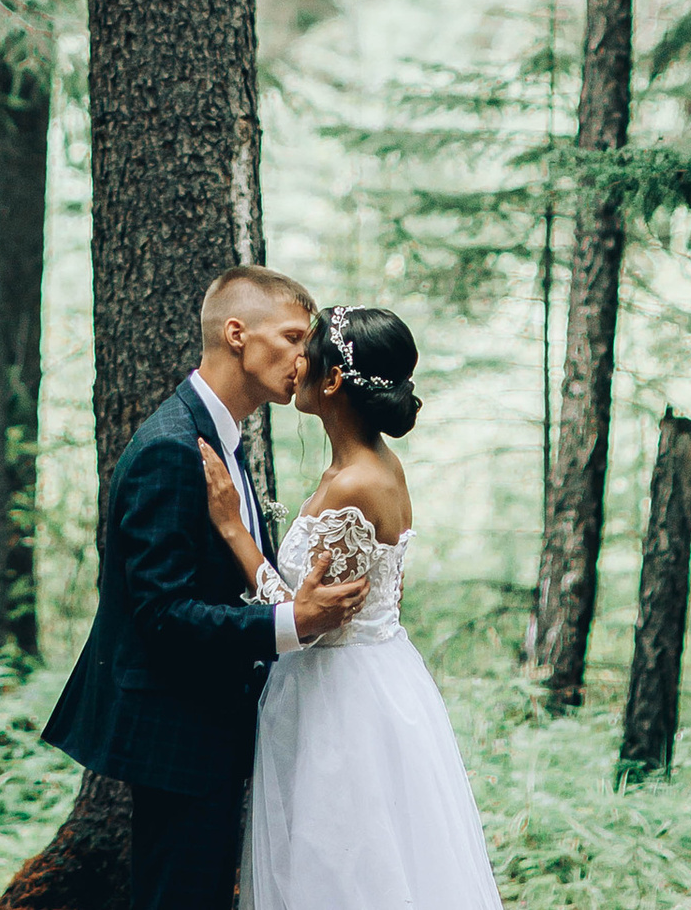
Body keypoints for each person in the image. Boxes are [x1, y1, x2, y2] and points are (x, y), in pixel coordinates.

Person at [43, 267, 372, 910]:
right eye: (293, 337)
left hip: (212, 725)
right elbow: (163, 614)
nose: (305, 357)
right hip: (178, 733)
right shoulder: (172, 448)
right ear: (236, 335)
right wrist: (293, 624)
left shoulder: (224, 437)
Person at [201, 302, 504, 910]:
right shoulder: (372, 466)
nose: (294, 362)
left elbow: (311, 621)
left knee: (341, 864)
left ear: (334, 379)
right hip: (372, 675)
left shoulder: (355, 483)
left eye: (305, 350)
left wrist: (233, 528)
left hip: (339, 701)